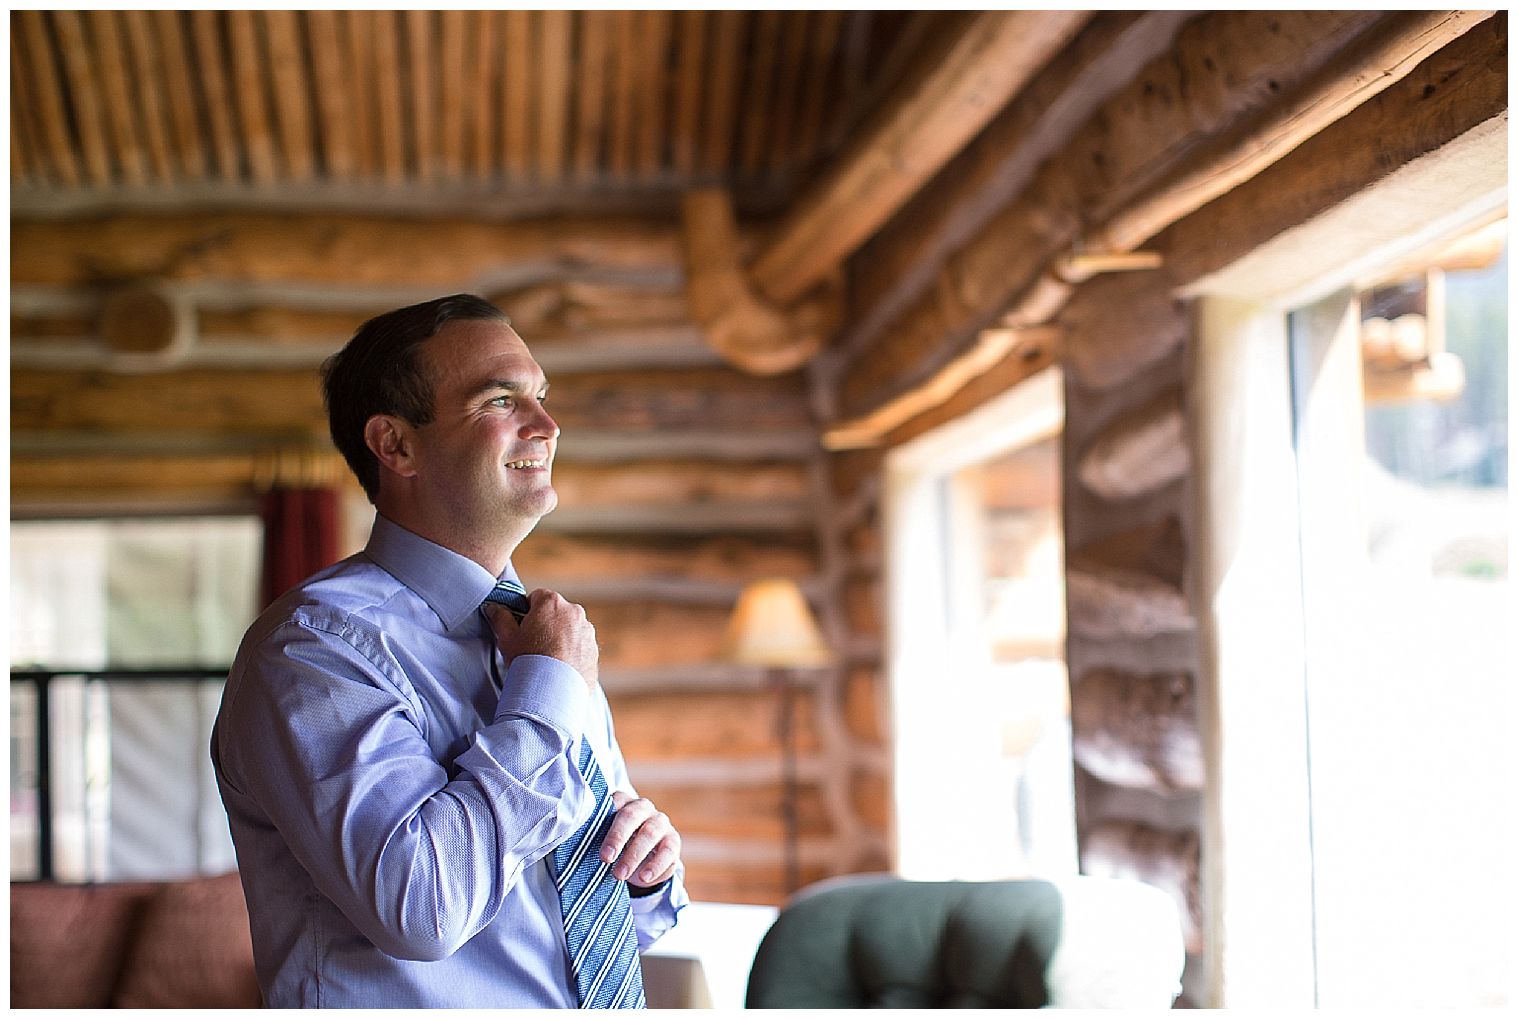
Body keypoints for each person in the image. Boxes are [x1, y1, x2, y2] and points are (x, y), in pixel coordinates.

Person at [211, 294, 687, 1008]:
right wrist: (550, 686)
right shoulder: (310, 651)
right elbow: (423, 905)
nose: (548, 425)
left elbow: (574, 912)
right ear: (396, 445)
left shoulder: (541, 638)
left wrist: (642, 869)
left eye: (542, 396)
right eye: (501, 399)